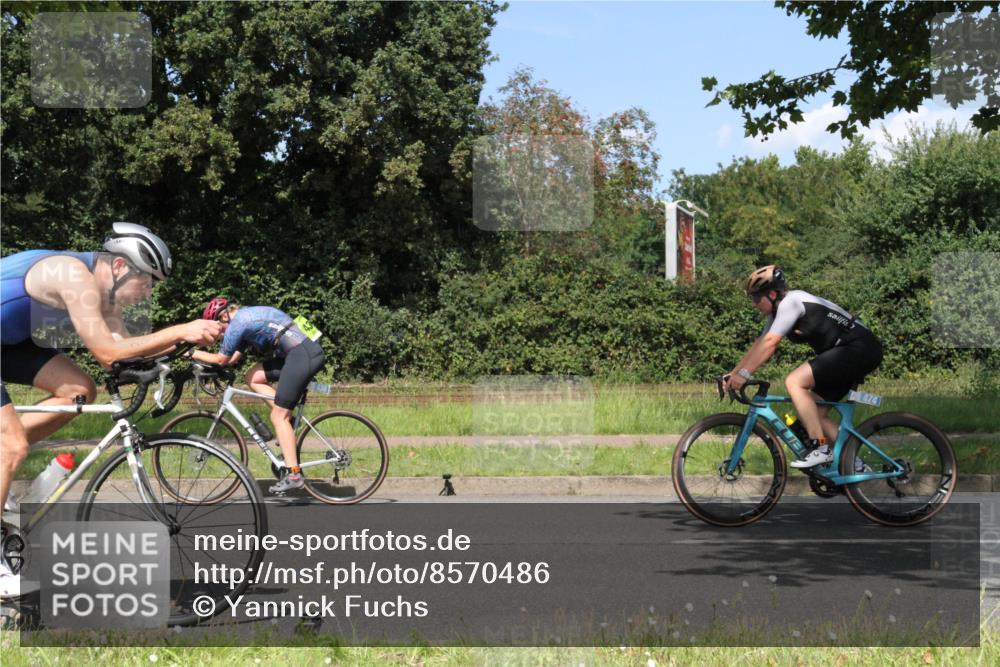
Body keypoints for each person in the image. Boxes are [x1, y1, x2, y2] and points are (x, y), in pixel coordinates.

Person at [0, 223, 224, 597]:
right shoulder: (73, 276)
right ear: (120, 268)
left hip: (7, 343)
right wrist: (180, 329)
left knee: (78, 390)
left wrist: (198, 355)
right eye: (147, 282)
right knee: (13, 446)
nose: (148, 293)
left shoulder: (107, 297)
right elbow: (106, 352)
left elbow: (125, 349)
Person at [724, 265, 884, 468]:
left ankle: (821, 448)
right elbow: (760, 343)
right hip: (846, 352)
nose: (754, 304)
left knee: (794, 382)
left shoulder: (791, 302)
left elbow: (771, 343)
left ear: (772, 294)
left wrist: (745, 374)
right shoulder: (777, 312)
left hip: (859, 347)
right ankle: (854, 464)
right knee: (815, 413)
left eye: (756, 298)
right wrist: (735, 373)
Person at [194, 298, 326, 495]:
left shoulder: (239, 323)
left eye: (219, 327)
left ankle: (294, 475)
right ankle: (285, 418)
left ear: (224, 316)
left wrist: (191, 353)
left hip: (300, 354)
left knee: (277, 417)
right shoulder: (248, 315)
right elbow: (232, 358)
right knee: (253, 376)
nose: (221, 334)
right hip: (302, 351)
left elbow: (221, 359)